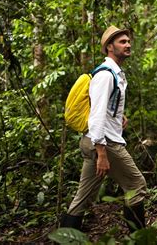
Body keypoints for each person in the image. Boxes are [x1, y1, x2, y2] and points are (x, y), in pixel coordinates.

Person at [60, 25, 147, 232]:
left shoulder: (114, 73)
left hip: (95, 141)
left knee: (82, 196)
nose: (128, 45)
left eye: (128, 41)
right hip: (104, 143)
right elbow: (97, 114)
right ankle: (140, 238)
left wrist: (117, 116)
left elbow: (103, 107)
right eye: (122, 42)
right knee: (136, 186)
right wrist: (101, 152)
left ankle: (64, 237)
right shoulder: (106, 75)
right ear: (110, 47)